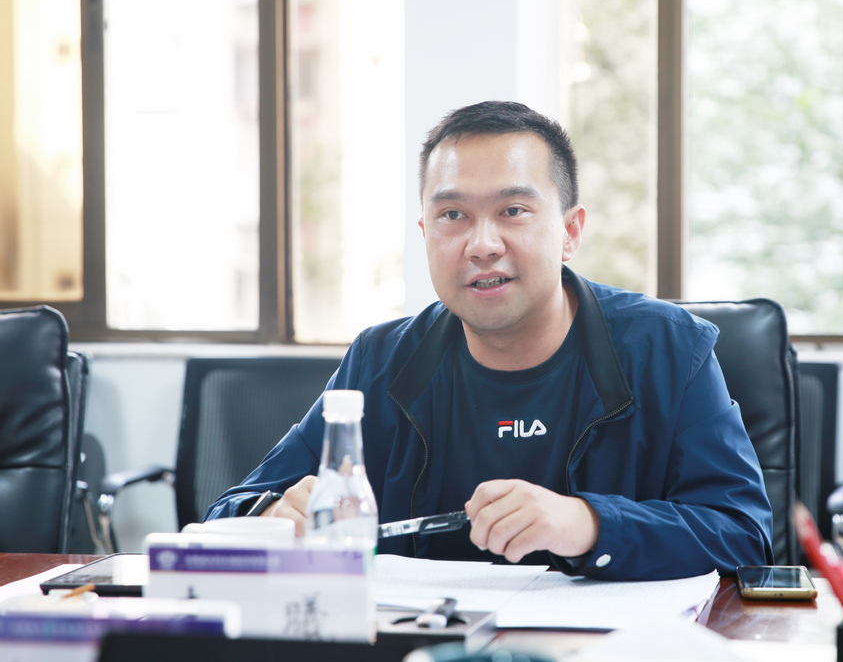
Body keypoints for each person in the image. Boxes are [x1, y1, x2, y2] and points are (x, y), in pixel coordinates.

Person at [206, 101, 773, 581]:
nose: (482, 244)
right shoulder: (380, 361)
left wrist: (589, 524)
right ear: (425, 234)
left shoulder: (670, 349)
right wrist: (273, 515)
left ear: (570, 231)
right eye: (453, 214)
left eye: (513, 211)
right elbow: (225, 514)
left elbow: (744, 535)